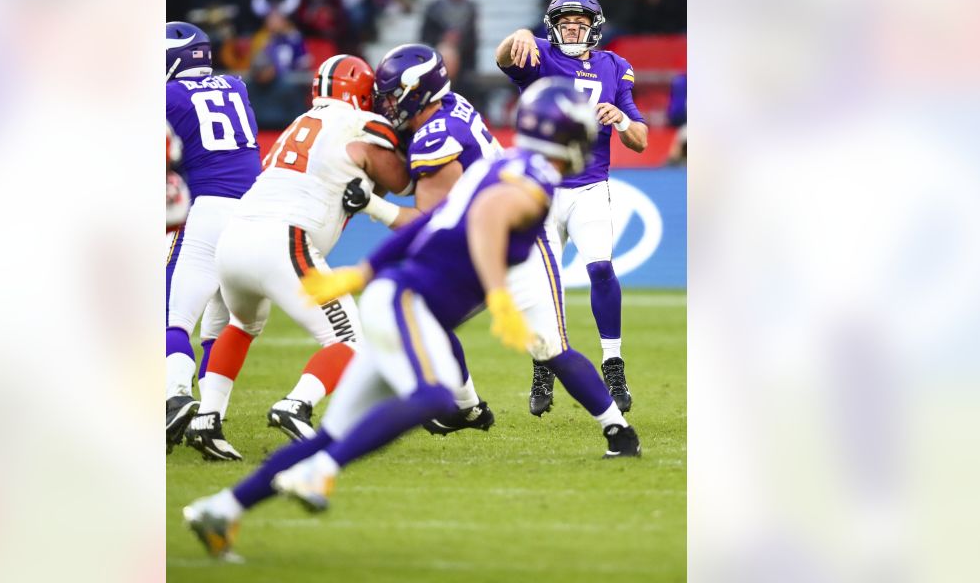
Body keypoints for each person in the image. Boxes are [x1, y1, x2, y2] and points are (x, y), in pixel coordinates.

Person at [183, 77, 641, 562]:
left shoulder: (505, 162)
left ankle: (220, 508)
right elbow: (487, 219)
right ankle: (321, 471)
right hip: (409, 305)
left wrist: (363, 270)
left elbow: (428, 220)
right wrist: (499, 298)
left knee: (334, 434)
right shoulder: (534, 182)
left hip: (396, 298)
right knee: (434, 394)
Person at [345, 45, 636, 442]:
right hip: (483, 237)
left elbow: (430, 222)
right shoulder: (453, 105)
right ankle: (468, 408)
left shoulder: (436, 137)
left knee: (550, 347)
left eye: (394, 94)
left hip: (515, 248)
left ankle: (617, 429)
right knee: (424, 316)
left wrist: (373, 207)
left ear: (417, 91)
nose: (389, 104)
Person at [183, 55, 413, 460]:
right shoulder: (359, 123)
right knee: (351, 342)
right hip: (284, 240)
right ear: (360, 91)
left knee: (241, 324)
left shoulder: (300, 122)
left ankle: (207, 417)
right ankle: (297, 404)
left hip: (234, 237)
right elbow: (401, 178)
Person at [496, 0, 650, 415]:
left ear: (595, 27)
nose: (573, 28)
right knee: (544, 283)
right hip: (542, 187)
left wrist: (619, 119)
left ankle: (613, 363)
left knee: (600, 267)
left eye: (580, 22)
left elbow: (640, 139)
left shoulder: (614, 67)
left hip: (588, 186)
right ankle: (543, 363)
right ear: (553, 26)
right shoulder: (540, 53)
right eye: (565, 22)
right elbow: (503, 58)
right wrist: (517, 35)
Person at [164, 22, 263, 454]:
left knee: (172, 318)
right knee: (221, 329)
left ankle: (174, 396)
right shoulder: (235, 87)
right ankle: (210, 421)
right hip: (256, 217)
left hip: (207, 213)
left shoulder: (166, 97)